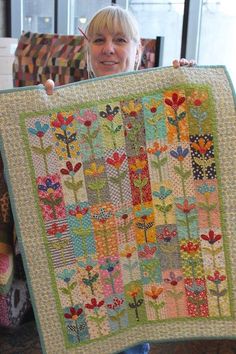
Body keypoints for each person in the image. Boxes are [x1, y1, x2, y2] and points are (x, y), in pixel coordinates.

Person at [44, 6, 194, 354]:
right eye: (99, 40)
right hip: (89, 239)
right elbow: (50, 164)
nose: (108, 48)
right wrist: (42, 104)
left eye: (120, 40)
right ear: (87, 50)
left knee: (132, 332)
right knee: (89, 328)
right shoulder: (68, 104)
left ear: (138, 51)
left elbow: (184, 142)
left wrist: (187, 82)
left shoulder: (155, 101)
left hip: (142, 238)